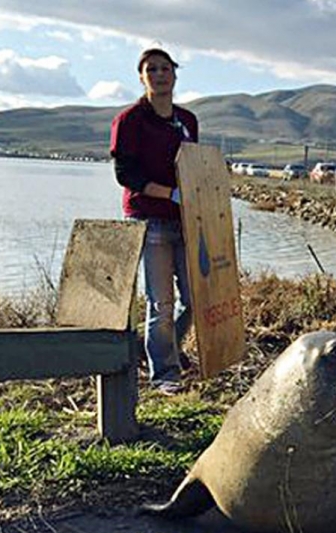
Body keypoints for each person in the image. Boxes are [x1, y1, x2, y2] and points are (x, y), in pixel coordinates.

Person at [110, 47, 198, 396]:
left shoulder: (188, 121)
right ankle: (165, 373)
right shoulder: (130, 120)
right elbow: (125, 173)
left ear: (174, 75)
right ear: (142, 77)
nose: (159, 74)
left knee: (194, 299)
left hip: (186, 221)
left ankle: (167, 351)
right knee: (160, 302)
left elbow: (193, 166)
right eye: (151, 69)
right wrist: (168, 194)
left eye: (165, 68)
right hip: (149, 221)